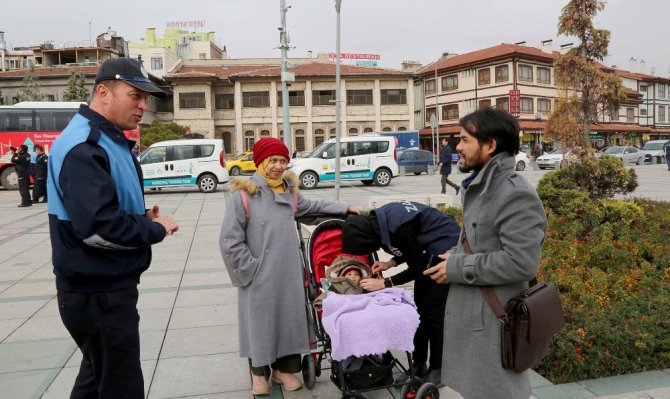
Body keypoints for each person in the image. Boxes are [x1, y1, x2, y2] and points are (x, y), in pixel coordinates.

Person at [47, 58, 179, 398]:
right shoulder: (85, 145)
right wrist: (156, 229)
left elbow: (105, 210)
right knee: (121, 387)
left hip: (101, 287)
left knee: (96, 381)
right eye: (135, 95)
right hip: (98, 294)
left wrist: (141, 218)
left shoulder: (108, 139)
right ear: (103, 92)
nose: (143, 106)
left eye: (146, 98)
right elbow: (98, 228)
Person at [219, 137, 358, 396]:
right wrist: (250, 269)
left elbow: (313, 206)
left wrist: (344, 207)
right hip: (258, 274)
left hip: (288, 272)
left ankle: (284, 370)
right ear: (261, 162)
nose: (278, 166)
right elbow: (229, 240)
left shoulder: (289, 193)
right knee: (259, 324)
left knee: (287, 320)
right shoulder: (245, 194)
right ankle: (259, 373)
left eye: (283, 161)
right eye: (273, 160)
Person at [424, 108, 547, 399]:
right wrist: (451, 257)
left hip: (495, 321)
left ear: (490, 145)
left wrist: (457, 268)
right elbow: (480, 241)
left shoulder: (513, 193)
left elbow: (522, 262)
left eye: (465, 139)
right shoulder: (481, 186)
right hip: (474, 315)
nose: (458, 147)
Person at [341, 200, 460, 386]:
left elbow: (418, 265)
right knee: (419, 311)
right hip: (427, 251)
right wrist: (390, 263)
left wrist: (384, 282)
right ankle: (419, 363)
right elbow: (412, 246)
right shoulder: (379, 221)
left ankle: (438, 368)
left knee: (433, 315)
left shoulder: (398, 227)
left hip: (445, 250)